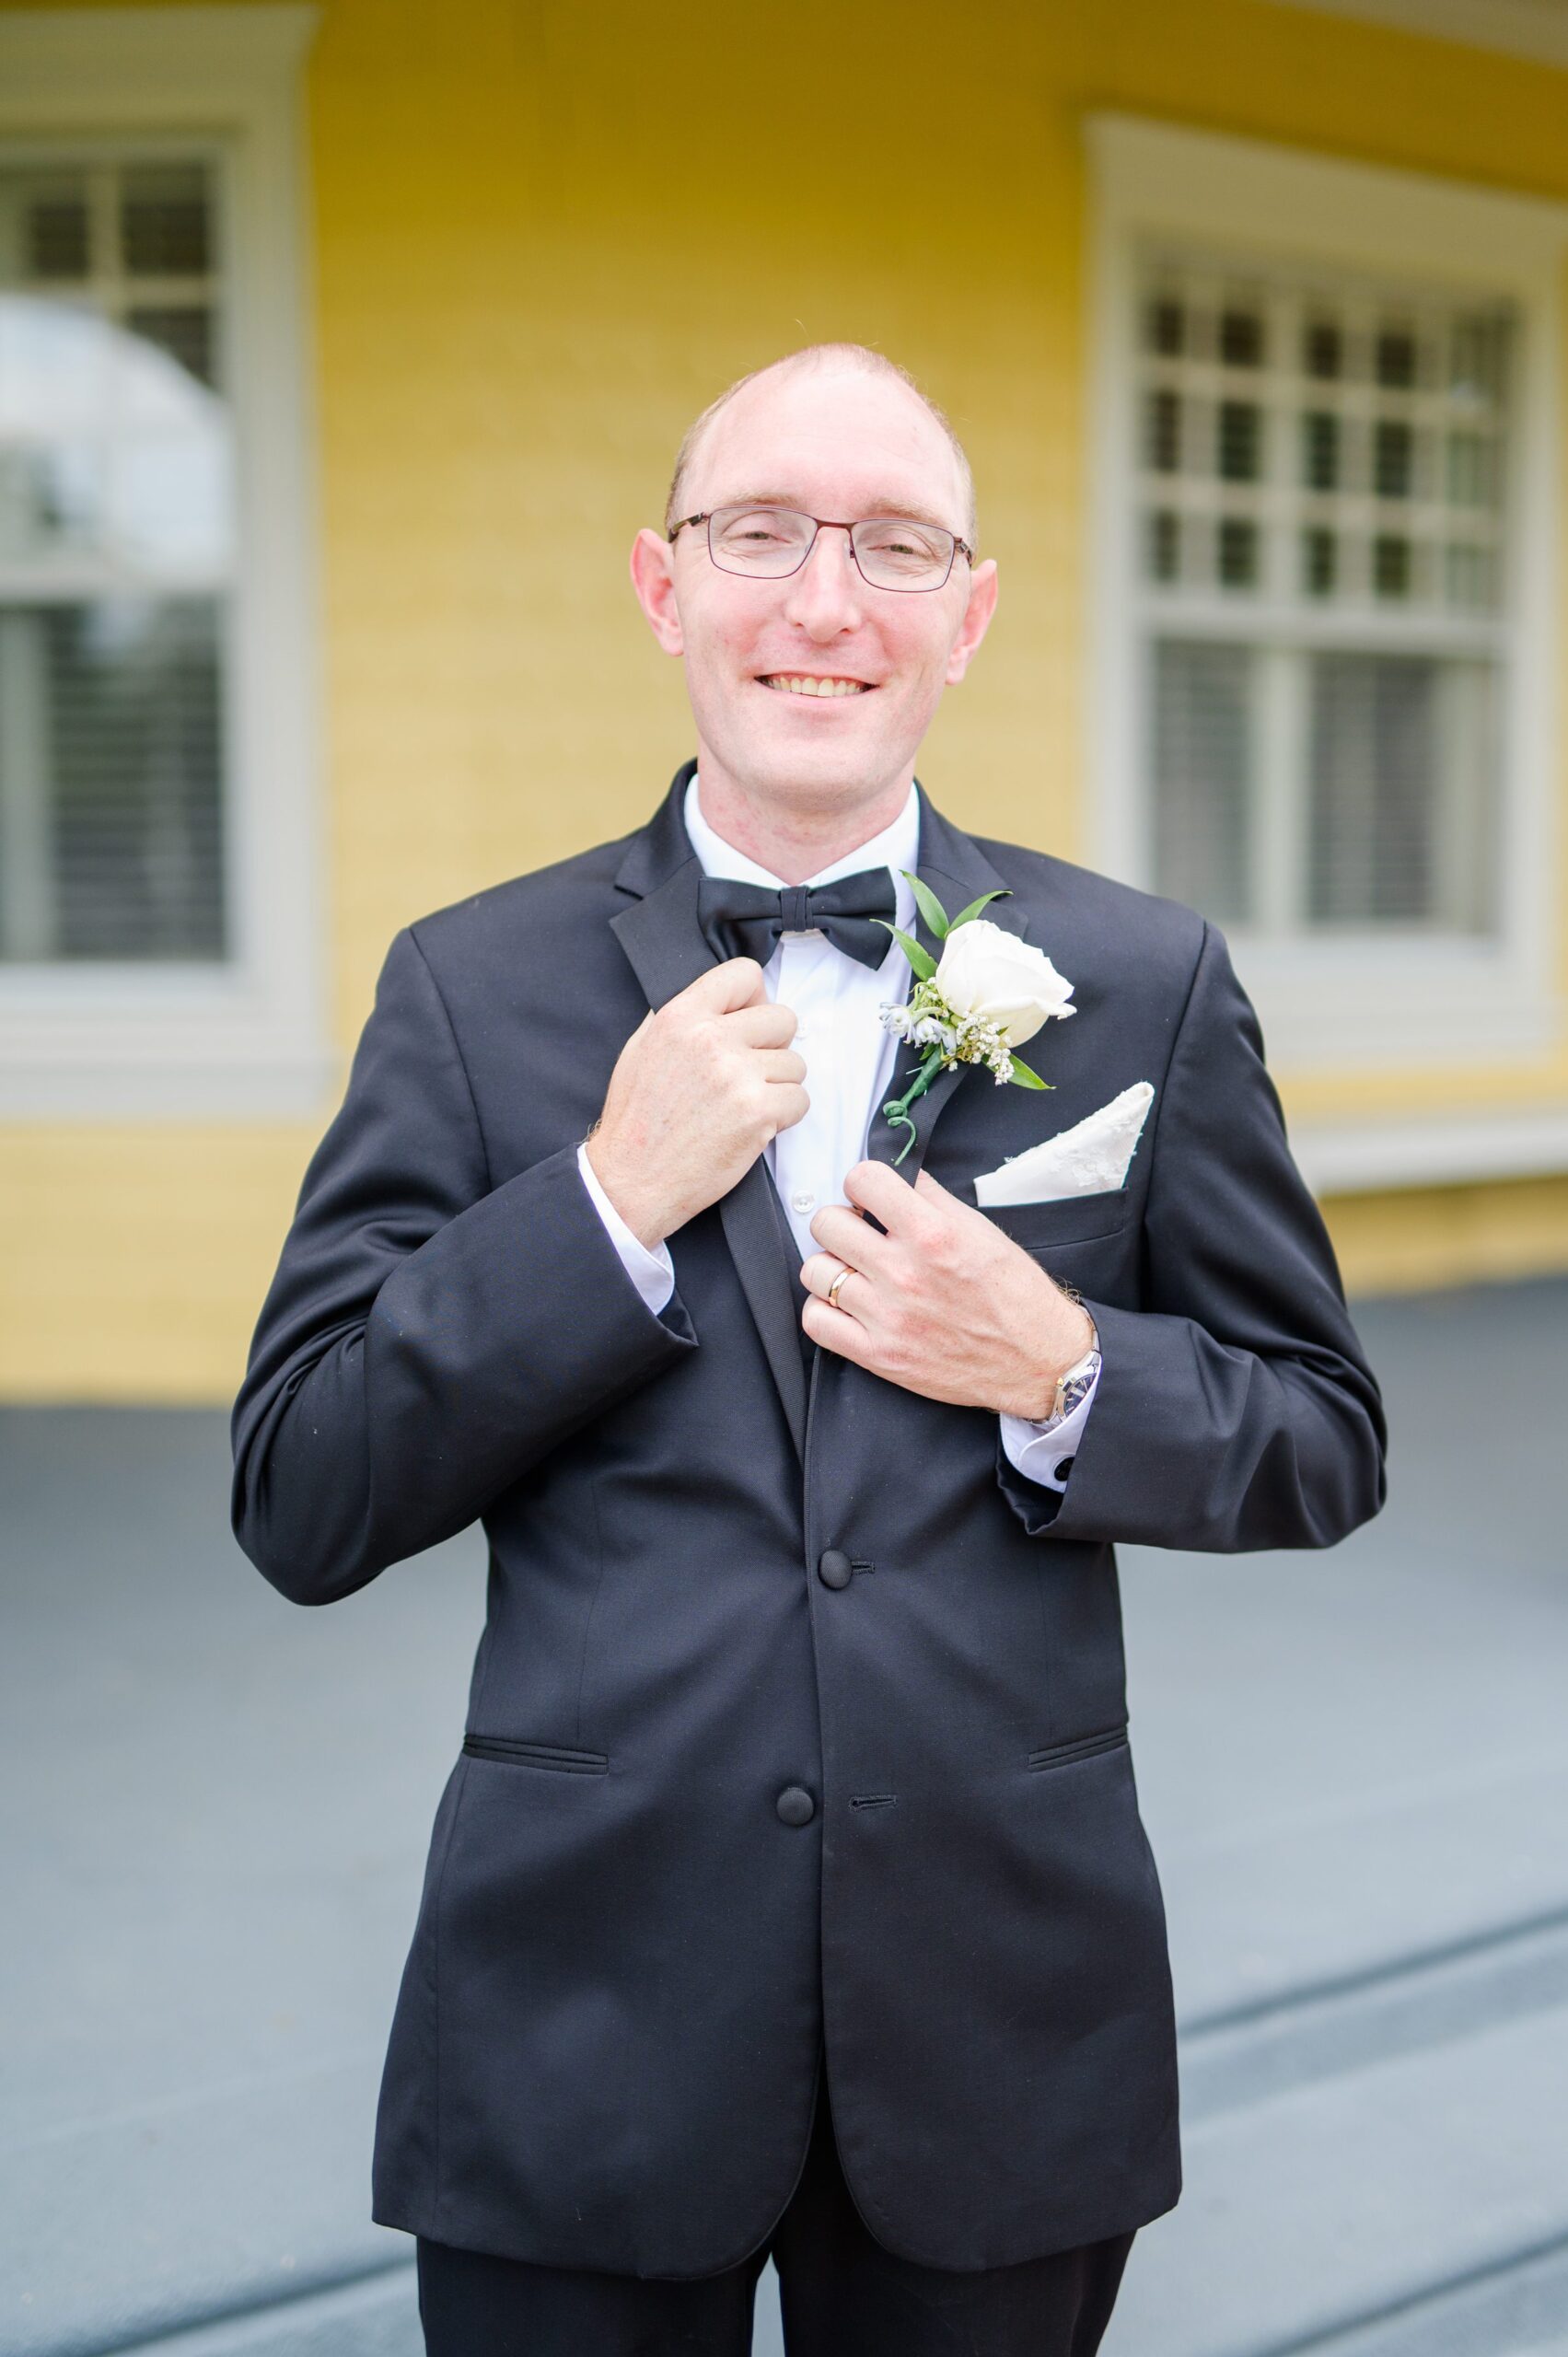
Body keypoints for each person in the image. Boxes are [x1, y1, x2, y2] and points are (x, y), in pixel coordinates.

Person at [231, 342, 1387, 2356]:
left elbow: (1321, 1433)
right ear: (663, 587)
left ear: (972, 610)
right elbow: (304, 1489)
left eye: (894, 544)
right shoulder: (464, 983)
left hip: (1003, 2020)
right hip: (580, 2012)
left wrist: (1063, 1368)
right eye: (759, 532)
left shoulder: (1144, 982)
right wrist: (600, 1200)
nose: (825, 602)